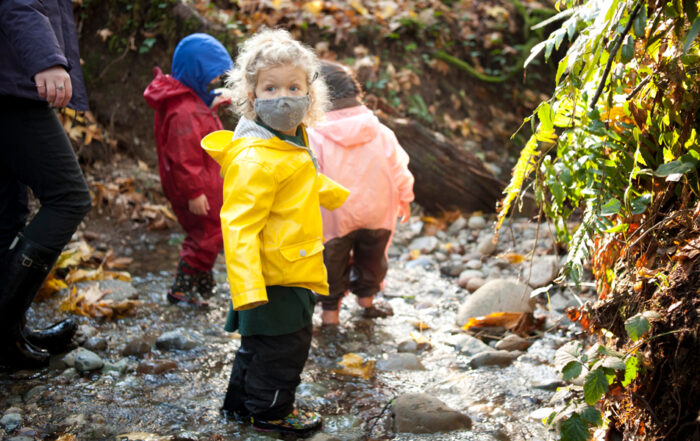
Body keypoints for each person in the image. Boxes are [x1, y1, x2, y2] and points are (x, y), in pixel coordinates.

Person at [201, 29, 349, 436]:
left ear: (310, 93)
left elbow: (296, 181)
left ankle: (240, 406)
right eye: (270, 87)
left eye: (293, 86)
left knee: (258, 346)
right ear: (251, 95)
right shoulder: (257, 159)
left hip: (288, 263)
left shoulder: (286, 140)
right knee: (285, 346)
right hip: (275, 276)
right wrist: (247, 288)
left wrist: (332, 193)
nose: (283, 97)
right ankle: (271, 412)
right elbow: (239, 226)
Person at [0, 0, 93, 368]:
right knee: (68, 197)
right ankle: (4, 329)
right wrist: (47, 59)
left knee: (7, 213)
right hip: (12, 86)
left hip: (10, 79)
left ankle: (13, 329)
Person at [308, 61, 415, 326]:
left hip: (334, 214)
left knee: (331, 263)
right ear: (356, 93)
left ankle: (330, 316)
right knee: (372, 258)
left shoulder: (314, 134)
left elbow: (310, 175)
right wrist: (406, 198)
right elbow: (399, 167)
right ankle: (367, 303)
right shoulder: (379, 130)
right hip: (377, 211)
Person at [144, 33, 234, 307]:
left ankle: (201, 283)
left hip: (206, 183)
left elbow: (201, 108)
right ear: (196, 73)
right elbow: (183, 157)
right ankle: (181, 290)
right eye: (211, 77)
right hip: (197, 187)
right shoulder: (184, 112)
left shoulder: (191, 99)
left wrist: (212, 102)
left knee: (211, 232)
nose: (216, 82)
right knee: (207, 236)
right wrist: (194, 192)